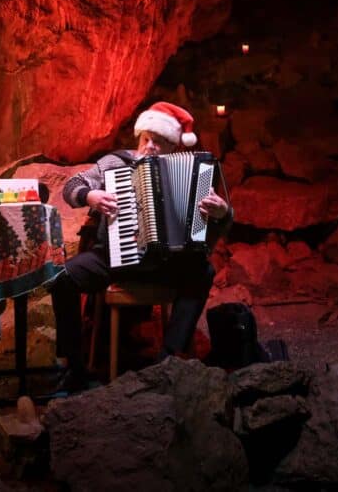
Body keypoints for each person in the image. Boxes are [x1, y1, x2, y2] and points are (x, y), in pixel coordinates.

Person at [48, 102, 232, 394]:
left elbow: (208, 234)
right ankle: (75, 368)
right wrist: (90, 195)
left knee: (203, 271)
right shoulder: (114, 163)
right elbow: (72, 187)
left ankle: (167, 361)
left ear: (173, 148)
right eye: (146, 139)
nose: (151, 147)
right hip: (113, 257)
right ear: (139, 138)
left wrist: (222, 214)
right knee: (62, 279)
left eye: (159, 142)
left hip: (165, 265)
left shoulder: (193, 173)